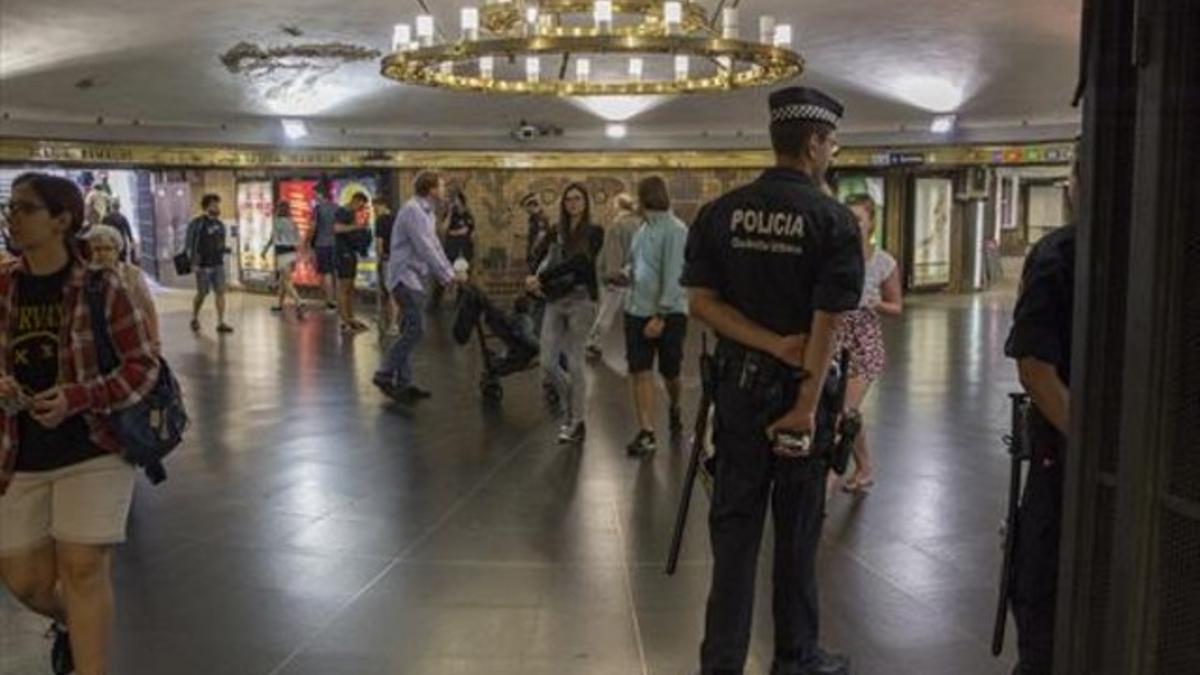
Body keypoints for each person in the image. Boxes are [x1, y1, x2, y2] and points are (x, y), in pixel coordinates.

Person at [681, 86, 863, 675]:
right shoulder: (832, 219)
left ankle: (723, 662)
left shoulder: (720, 212)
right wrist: (808, 402)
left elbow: (702, 304)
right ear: (813, 143)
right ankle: (796, 657)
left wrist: (762, 341)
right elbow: (827, 320)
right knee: (796, 533)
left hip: (737, 392)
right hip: (799, 398)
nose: (832, 152)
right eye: (831, 142)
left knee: (734, 532)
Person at [0, 172, 159, 675]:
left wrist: (78, 396)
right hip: (17, 445)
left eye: (25, 208)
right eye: (11, 208)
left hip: (94, 442)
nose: (12, 218)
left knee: (83, 568)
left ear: (61, 219)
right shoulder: (3, 285)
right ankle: (76, 622)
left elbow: (143, 365)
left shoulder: (102, 286)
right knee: (23, 578)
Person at [1003, 152, 1079, 675]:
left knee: (1045, 595)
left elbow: (1034, 367)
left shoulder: (1062, 252)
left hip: (1067, 460)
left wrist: (1089, 447)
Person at [829, 194, 902, 494]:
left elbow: (897, 307)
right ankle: (865, 468)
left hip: (864, 341)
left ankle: (828, 481)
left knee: (843, 410)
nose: (853, 225)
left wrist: (875, 303)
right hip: (835, 339)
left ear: (871, 222)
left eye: (858, 219)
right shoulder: (834, 257)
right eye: (849, 218)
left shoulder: (883, 262)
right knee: (848, 411)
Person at [525, 183, 605, 445]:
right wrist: (533, 276)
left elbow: (582, 263)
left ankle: (576, 420)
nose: (572, 203)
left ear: (585, 202)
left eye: (577, 199)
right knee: (547, 362)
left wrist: (544, 277)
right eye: (568, 199)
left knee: (574, 360)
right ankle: (572, 396)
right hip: (555, 299)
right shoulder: (555, 230)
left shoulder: (594, 231)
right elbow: (538, 256)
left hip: (581, 300)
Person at [374, 171, 459, 402]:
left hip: (413, 278)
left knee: (408, 328)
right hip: (404, 277)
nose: (443, 190)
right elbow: (425, 248)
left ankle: (404, 382)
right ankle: (384, 372)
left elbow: (435, 246)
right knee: (416, 329)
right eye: (440, 186)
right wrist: (447, 275)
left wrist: (448, 273)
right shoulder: (414, 211)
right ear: (430, 189)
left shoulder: (427, 213)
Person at [623, 177, 689, 457]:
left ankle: (674, 405)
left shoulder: (676, 230)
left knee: (670, 372)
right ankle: (647, 431)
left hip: (668, 313)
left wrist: (660, 315)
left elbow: (675, 275)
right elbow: (636, 264)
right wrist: (624, 274)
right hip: (636, 310)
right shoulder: (641, 229)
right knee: (640, 370)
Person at [80, 224, 160, 351]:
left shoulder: (132, 274)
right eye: (97, 249)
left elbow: (148, 308)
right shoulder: (84, 276)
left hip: (130, 336)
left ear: (117, 250)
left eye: (107, 249)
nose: (102, 254)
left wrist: (155, 340)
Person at [586, 192, 641, 359]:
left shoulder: (617, 226)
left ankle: (593, 344)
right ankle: (636, 348)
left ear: (617, 206)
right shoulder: (641, 224)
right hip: (636, 276)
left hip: (617, 279)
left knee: (606, 314)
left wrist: (611, 275)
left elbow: (613, 253)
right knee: (636, 315)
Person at [184, 193, 233, 334]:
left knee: (220, 292)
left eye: (218, 204)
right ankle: (194, 317)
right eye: (214, 204)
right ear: (207, 206)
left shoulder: (220, 225)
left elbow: (221, 243)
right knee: (202, 293)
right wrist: (193, 262)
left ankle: (221, 322)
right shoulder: (197, 223)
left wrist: (225, 250)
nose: (217, 207)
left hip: (217, 264)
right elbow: (189, 243)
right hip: (202, 265)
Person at [334, 192, 371, 333]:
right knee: (343, 288)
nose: (361, 209)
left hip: (350, 252)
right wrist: (356, 227)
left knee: (350, 288)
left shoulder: (351, 214)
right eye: (361, 205)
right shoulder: (342, 212)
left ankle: (350, 318)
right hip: (342, 253)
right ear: (355, 200)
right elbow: (336, 228)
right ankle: (344, 322)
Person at [262, 200, 305, 318]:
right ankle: (279, 305)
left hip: (282, 254)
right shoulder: (293, 223)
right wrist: (300, 255)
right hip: (292, 253)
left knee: (286, 282)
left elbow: (273, 238)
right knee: (282, 281)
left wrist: (265, 250)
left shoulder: (277, 222)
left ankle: (299, 301)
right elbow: (298, 240)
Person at [311, 186, 340, 311]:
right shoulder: (336, 207)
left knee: (326, 273)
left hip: (322, 244)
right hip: (335, 244)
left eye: (315, 194)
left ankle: (330, 301)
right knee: (335, 273)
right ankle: (339, 299)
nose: (314, 197)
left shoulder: (318, 209)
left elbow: (313, 227)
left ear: (321, 194)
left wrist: (308, 242)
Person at [373, 197, 396, 335]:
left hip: (387, 258)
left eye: (375, 207)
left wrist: (379, 258)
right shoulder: (397, 218)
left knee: (390, 292)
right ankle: (392, 322)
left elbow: (379, 243)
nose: (374, 211)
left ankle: (393, 324)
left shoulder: (380, 220)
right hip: (399, 258)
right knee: (394, 291)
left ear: (381, 205)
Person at [100, 198, 136, 265]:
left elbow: (102, 231)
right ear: (119, 207)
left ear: (111, 206)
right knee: (121, 263)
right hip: (121, 243)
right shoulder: (123, 218)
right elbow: (128, 232)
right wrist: (131, 241)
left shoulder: (106, 218)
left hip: (110, 243)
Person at [522, 192, 551, 273]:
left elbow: (542, 234)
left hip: (539, 253)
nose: (526, 210)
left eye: (526, 207)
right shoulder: (533, 218)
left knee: (537, 275)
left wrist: (533, 249)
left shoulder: (540, 217)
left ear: (531, 206)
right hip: (536, 252)